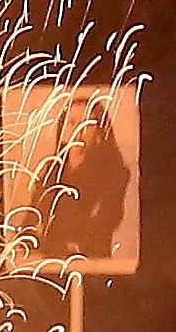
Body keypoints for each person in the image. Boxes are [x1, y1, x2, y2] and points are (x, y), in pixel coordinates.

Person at [31, 100, 130, 264]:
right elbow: (34, 215)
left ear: (100, 130)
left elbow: (108, 218)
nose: (78, 130)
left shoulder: (114, 172)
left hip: (90, 261)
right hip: (48, 261)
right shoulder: (50, 169)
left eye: (87, 123)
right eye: (71, 123)